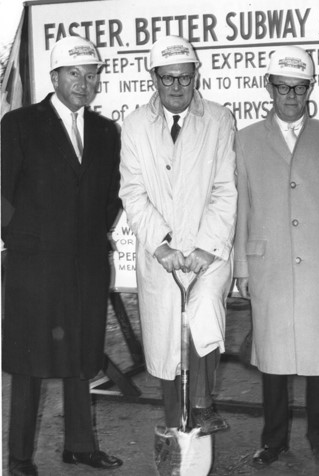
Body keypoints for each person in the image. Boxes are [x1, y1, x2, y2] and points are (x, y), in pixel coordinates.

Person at [234, 45, 319, 465]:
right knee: (272, 361)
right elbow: (240, 210)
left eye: (299, 87)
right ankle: (273, 441)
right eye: (282, 87)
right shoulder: (245, 140)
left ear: (311, 88)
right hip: (267, 264)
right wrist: (241, 266)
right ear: (268, 87)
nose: (291, 96)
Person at [1, 36, 123, 475]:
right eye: (74, 73)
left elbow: (111, 197)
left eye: (91, 75)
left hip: (86, 264)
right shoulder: (19, 125)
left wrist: (86, 237)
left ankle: (80, 446)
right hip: (33, 267)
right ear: (54, 77)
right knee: (28, 364)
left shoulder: (107, 132)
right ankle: (18, 458)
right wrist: (20, 241)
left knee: (81, 356)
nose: (83, 82)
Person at [119, 36, 236, 436]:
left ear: (195, 76)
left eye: (184, 79)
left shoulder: (219, 119)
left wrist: (207, 246)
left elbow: (225, 188)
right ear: (153, 77)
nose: (176, 87)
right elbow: (132, 192)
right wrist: (160, 245)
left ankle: (202, 405)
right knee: (167, 339)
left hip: (208, 248)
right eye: (167, 79)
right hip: (161, 255)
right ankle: (175, 424)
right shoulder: (135, 126)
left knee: (203, 311)